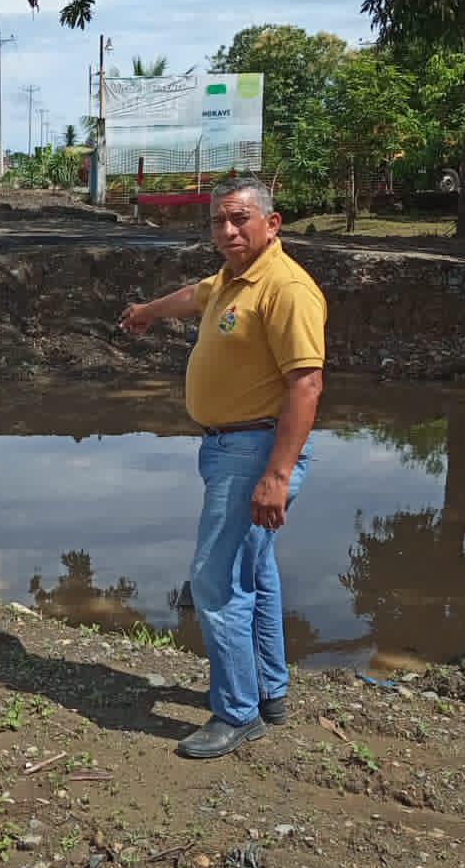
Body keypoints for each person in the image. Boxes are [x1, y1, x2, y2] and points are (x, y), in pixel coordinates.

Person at [119, 177, 326, 759]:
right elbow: (195, 295)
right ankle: (269, 690)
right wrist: (147, 312)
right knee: (254, 571)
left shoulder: (287, 288)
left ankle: (237, 713)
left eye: (240, 219)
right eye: (218, 221)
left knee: (213, 579)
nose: (228, 231)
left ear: (272, 223)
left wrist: (276, 476)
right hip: (232, 449)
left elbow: (306, 385)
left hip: (254, 452)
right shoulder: (235, 277)